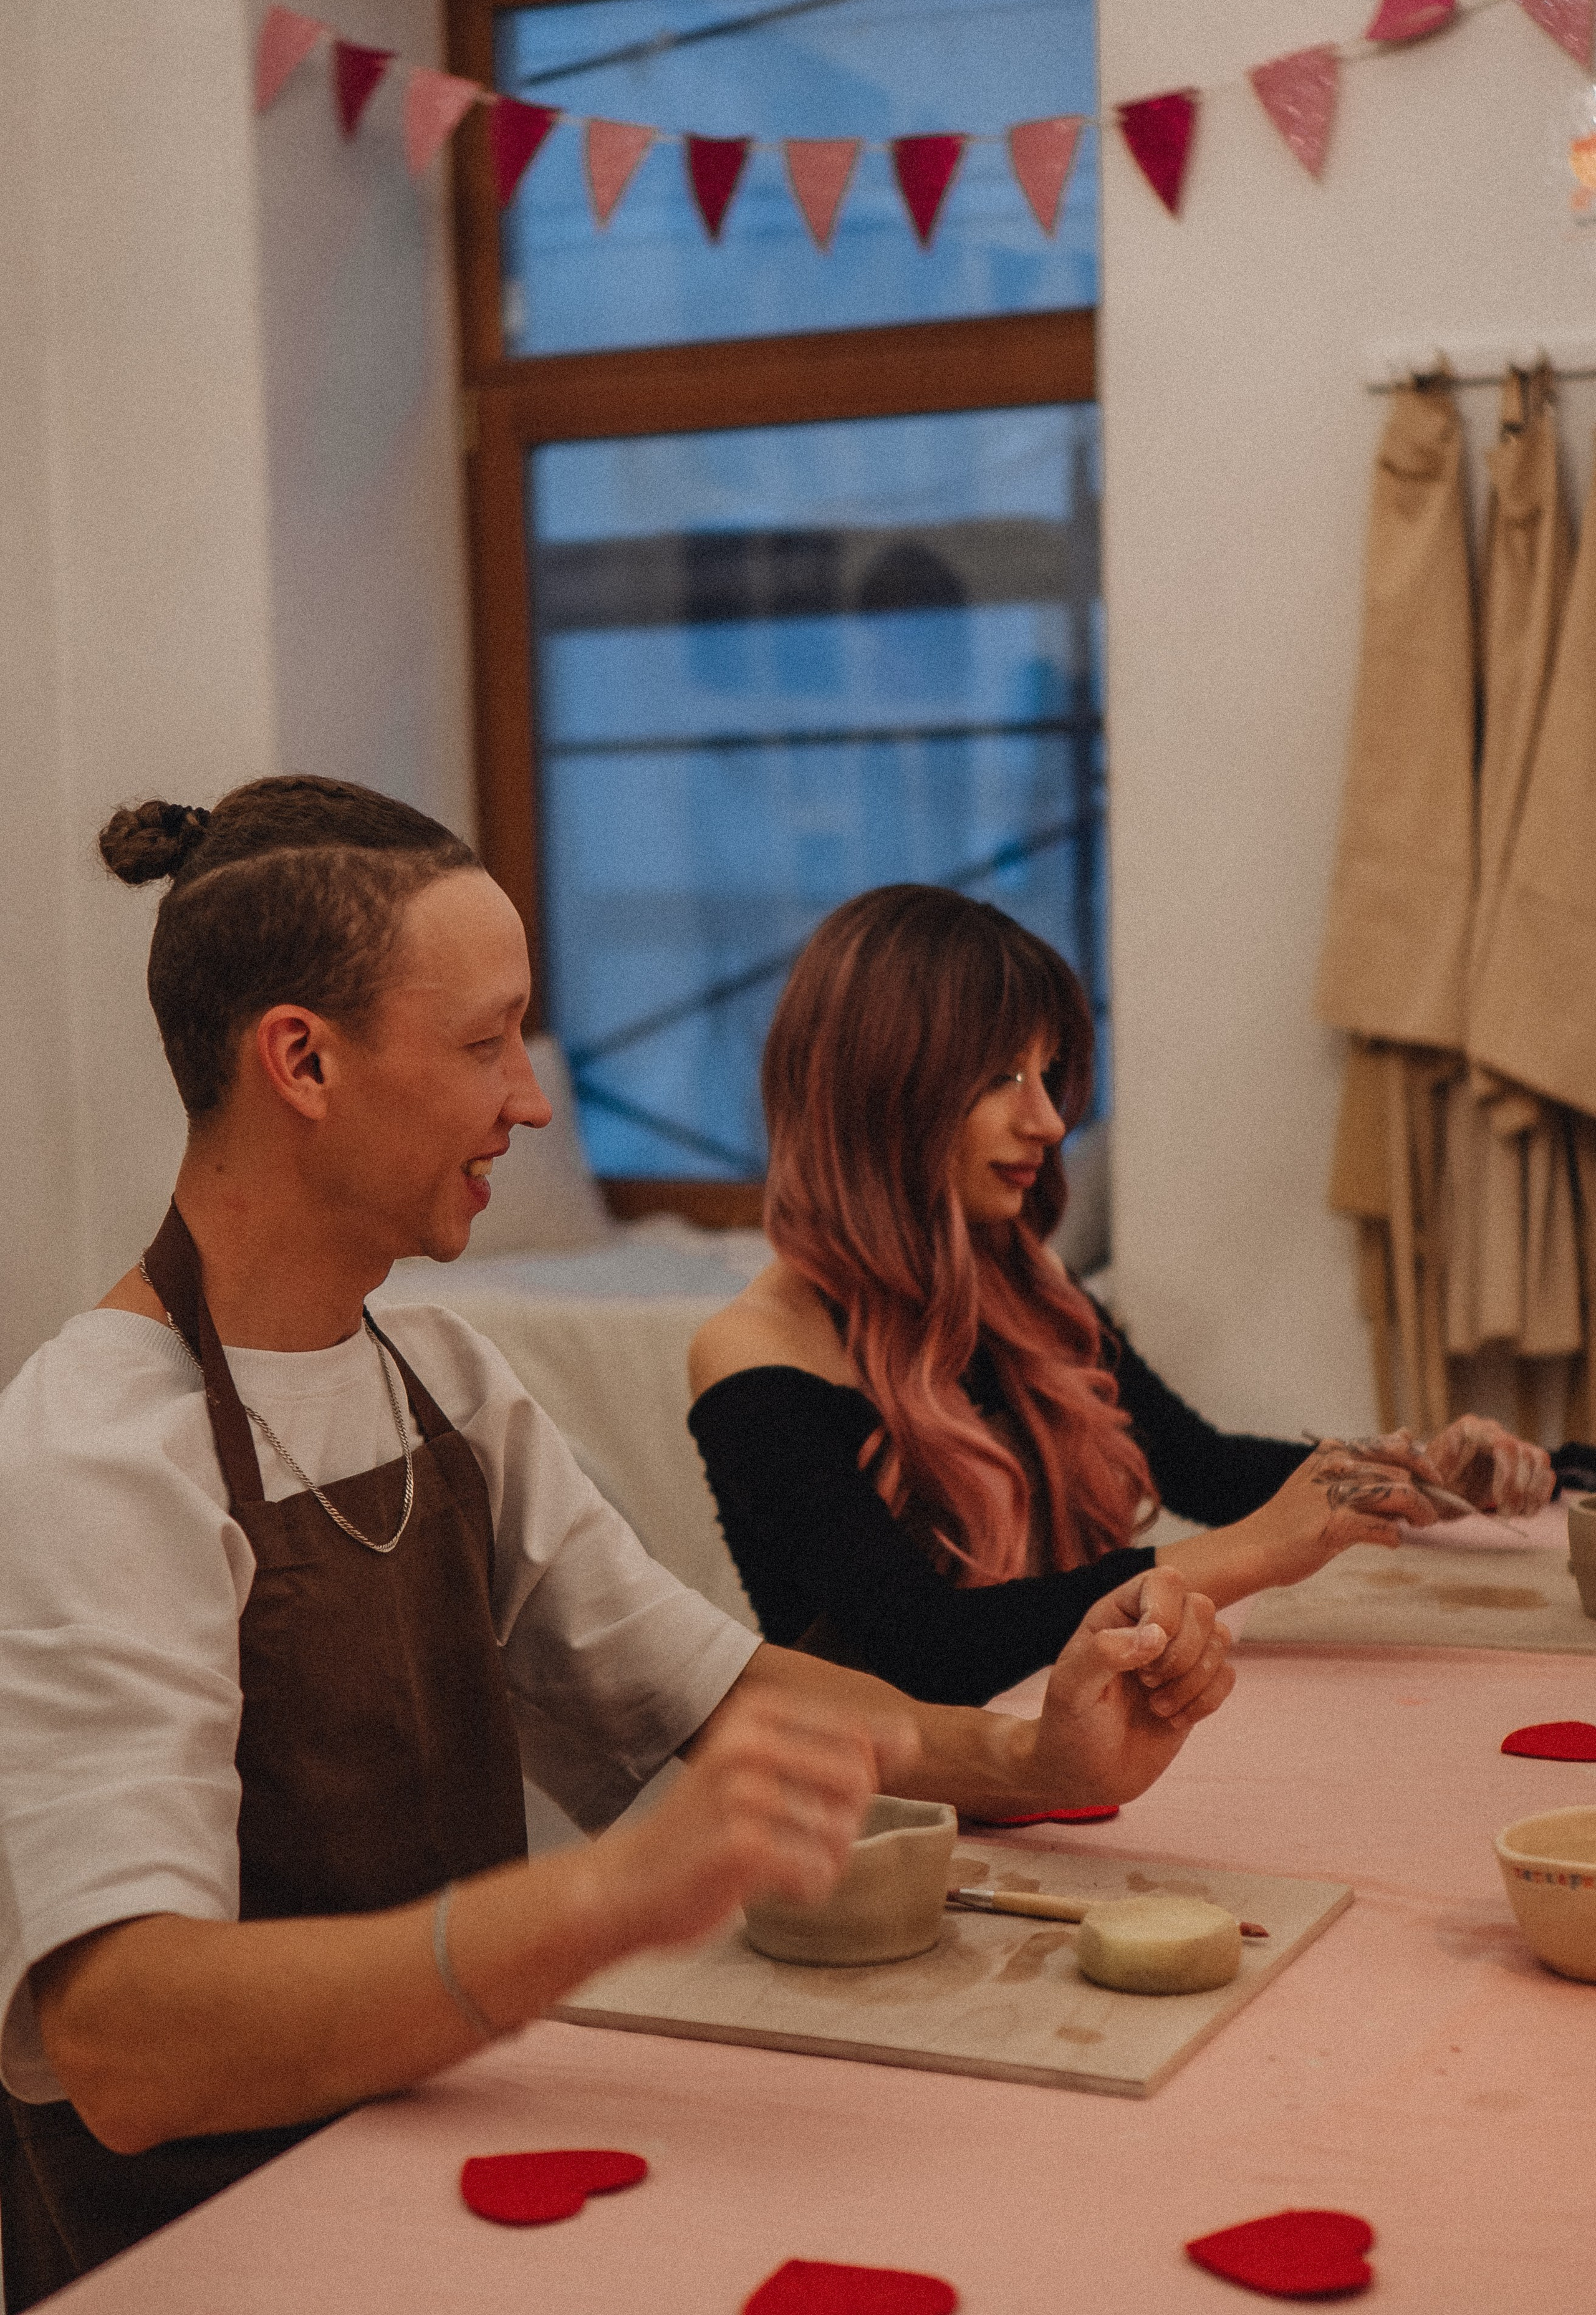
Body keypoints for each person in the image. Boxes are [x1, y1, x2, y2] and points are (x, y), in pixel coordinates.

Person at [0, 782, 1236, 2311]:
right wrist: (603, 1895)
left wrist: (1034, 1758)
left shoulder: (442, 1379)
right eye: (482, 1043)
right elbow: (126, 2041)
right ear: (300, 1061)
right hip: (216, 2253)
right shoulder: (99, 1448)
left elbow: (712, 1693)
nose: (526, 1099)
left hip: (427, 2174)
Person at [688, 885, 1563, 1708]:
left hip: (1054, 1747)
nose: (1049, 1122)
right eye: (1001, 1077)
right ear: (883, 1089)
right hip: (894, 1820)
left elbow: (1201, 1464)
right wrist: (1257, 1551)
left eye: (1048, 1071)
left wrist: (1407, 1475)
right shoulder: (756, 1350)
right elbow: (924, 1649)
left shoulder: (1024, 1284)